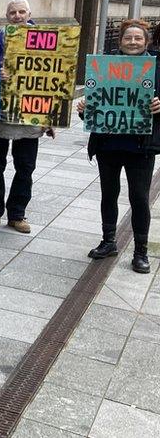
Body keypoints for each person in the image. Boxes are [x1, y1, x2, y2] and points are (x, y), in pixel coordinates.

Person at [78, 19, 160, 273]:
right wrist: (84, 110)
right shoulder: (104, 66)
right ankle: (108, 241)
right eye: (128, 38)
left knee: (139, 198)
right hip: (108, 144)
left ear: (146, 42)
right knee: (108, 193)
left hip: (140, 147)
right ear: (120, 41)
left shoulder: (157, 68)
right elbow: (98, 105)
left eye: (138, 38)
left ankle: (140, 251)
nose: (132, 42)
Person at [0, 0, 53, 234]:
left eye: (22, 12)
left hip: (30, 114)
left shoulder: (46, 40)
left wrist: (52, 117)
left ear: (29, 14)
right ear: (7, 16)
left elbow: (55, 76)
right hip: (1, 113)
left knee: (25, 167)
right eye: (13, 12)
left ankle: (17, 214)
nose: (18, 16)